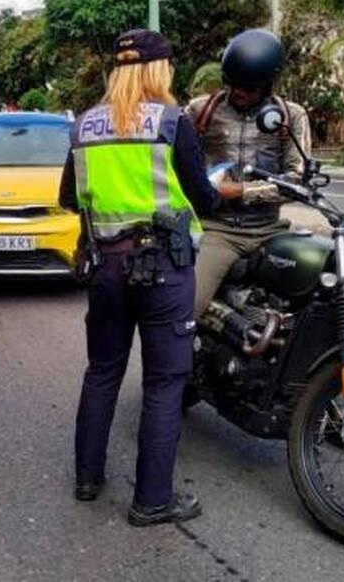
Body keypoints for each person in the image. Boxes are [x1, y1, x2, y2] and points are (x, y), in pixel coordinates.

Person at [58, 29, 219, 527]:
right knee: (165, 383)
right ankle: (152, 501)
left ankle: (88, 480)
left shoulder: (84, 126)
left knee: (102, 371)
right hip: (163, 272)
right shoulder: (173, 122)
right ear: (160, 70)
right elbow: (205, 199)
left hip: (105, 266)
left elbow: (68, 198)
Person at [185, 29, 312, 321]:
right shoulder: (200, 112)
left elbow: (298, 179)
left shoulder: (290, 116)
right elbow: (177, 165)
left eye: (250, 87)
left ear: (267, 85)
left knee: (313, 297)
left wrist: (241, 190)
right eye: (234, 85)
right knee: (184, 311)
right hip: (218, 230)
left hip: (271, 229)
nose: (240, 92)